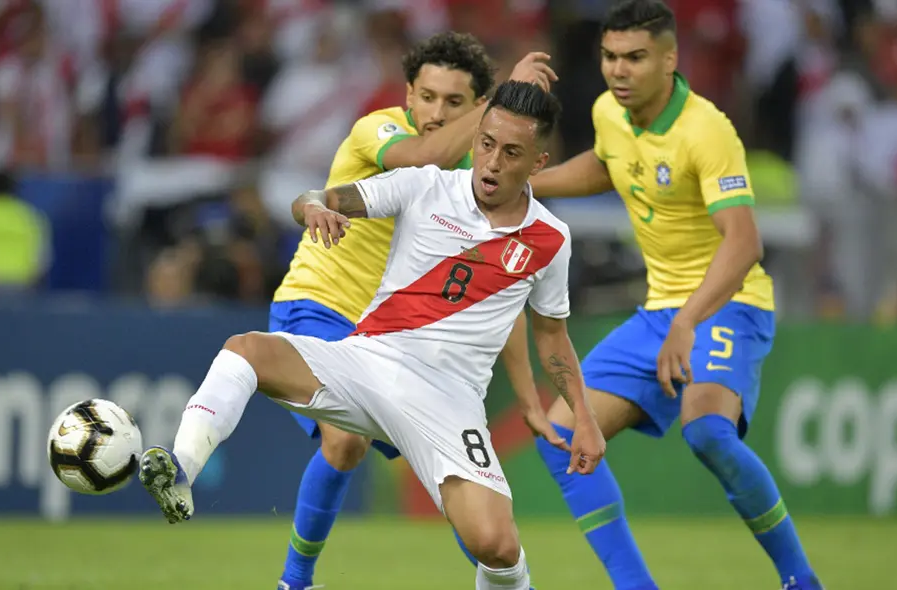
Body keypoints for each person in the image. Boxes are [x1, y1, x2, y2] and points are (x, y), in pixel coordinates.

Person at [138, 80, 608, 590]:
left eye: (511, 152)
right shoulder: (424, 185)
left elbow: (551, 337)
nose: (491, 162)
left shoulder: (550, 240)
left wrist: (584, 417)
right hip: (367, 361)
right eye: (486, 144)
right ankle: (181, 470)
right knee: (246, 350)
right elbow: (319, 197)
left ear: (538, 162)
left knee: (496, 546)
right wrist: (315, 207)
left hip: (449, 401)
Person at [524, 2, 822, 589]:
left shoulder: (706, 130)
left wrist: (688, 320)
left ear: (669, 59)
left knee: (707, 430)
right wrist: (528, 183)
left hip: (727, 302)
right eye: (610, 56)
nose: (618, 70)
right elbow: (609, 165)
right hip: (661, 310)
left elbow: (743, 243)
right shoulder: (610, 113)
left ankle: (802, 582)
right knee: (561, 438)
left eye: (635, 57)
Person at [264, 32, 563, 589]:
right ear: (408, 94)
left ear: (474, 108)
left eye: (454, 102)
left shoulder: (476, 182)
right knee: (345, 441)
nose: (435, 112)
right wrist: (506, 94)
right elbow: (425, 155)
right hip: (322, 302)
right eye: (427, 97)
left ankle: (503, 576)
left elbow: (500, 303)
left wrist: (528, 400)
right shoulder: (380, 130)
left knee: (455, 477)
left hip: (400, 340)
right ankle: (295, 581)